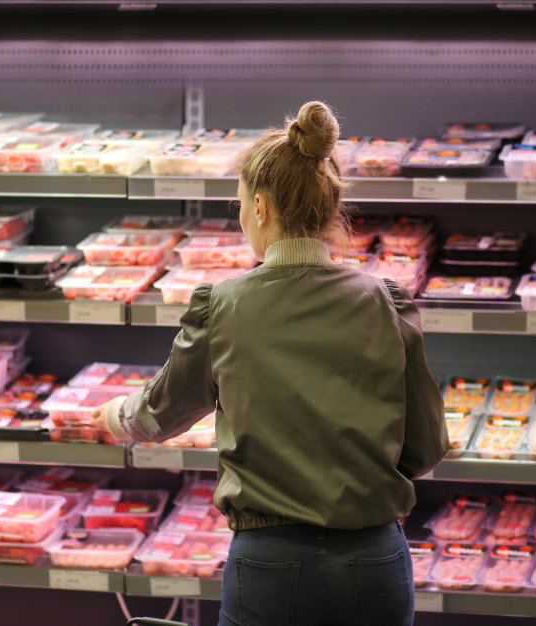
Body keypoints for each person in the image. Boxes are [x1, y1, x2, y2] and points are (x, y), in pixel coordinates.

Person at [93, 101, 448, 626]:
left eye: (239, 204)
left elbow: (162, 412)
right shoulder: (386, 301)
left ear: (260, 207)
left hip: (271, 566)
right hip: (375, 561)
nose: (240, 217)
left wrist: (114, 416)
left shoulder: (224, 305)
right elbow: (427, 446)